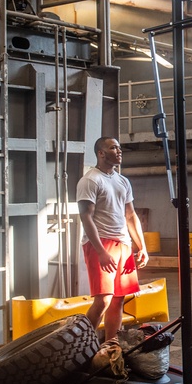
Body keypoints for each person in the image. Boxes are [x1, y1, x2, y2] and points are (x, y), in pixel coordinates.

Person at [77, 137, 149, 343]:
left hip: (123, 244)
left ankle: (111, 347)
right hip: (100, 242)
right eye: (113, 147)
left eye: (119, 147)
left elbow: (131, 215)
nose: (119, 151)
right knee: (104, 300)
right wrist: (100, 251)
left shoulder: (122, 181)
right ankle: (82, 347)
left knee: (118, 299)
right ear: (101, 153)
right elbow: (86, 216)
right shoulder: (90, 180)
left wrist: (142, 246)